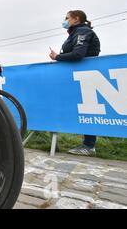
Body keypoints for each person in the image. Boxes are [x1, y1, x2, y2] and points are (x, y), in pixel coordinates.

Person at [49, 10, 101, 156]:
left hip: (86, 77)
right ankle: (58, 142)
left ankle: (89, 145)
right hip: (75, 76)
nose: (64, 20)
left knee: (88, 108)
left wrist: (57, 57)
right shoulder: (75, 33)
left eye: (67, 18)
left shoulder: (83, 31)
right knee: (79, 108)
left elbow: (78, 54)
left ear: (76, 19)